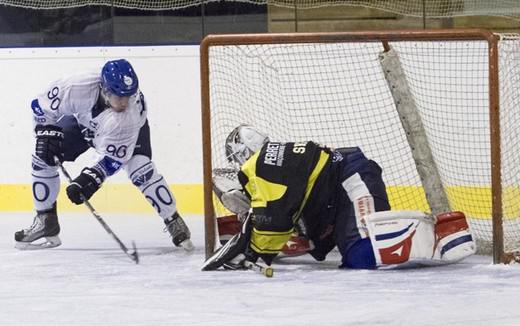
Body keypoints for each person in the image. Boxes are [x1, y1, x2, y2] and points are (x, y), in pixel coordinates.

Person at [203, 124, 476, 271]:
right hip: (340, 194)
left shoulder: (259, 169)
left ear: (241, 156)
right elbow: (287, 224)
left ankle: (440, 234)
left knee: (361, 255)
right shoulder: (274, 162)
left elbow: (273, 221)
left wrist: (252, 252)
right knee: (339, 251)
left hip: (350, 180)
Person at [15, 59, 194, 251]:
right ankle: (45, 220)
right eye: (119, 97)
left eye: (129, 95)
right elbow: (40, 106)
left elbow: (115, 158)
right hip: (83, 123)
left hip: (127, 134)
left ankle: (173, 219)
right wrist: (45, 132)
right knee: (43, 158)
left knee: (142, 171)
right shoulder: (77, 86)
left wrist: (89, 179)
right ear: (105, 89)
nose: (125, 102)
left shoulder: (130, 115)